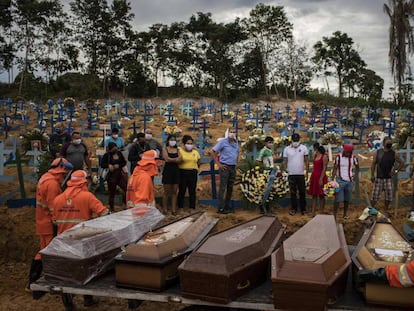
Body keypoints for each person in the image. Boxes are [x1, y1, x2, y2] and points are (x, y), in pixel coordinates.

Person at [52, 170, 109, 309]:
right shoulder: (87, 197)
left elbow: (54, 221)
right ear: (84, 182)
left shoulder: (58, 199)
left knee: (68, 273)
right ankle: (88, 299)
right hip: (83, 242)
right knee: (87, 271)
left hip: (64, 242)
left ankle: (68, 302)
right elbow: (105, 213)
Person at [27, 157, 73, 295]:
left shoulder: (45, 178)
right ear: (61, 171)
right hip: (48, 223)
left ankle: (34, 282)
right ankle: (34, 283)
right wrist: (59, 222)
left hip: (42, 221)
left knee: (44, 251)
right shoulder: (52, 184)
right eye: (64, 174)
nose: (63, 178)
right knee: (47, 253)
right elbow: (54, 207)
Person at [210, 127, 239, 214]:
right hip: (225, 167)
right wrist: (218, 164)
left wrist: (236, 163)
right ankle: (221, 207)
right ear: (228, 132)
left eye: (234, 132)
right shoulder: (223, 142)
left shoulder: (236, 143)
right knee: (223, 187)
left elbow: (237, 153)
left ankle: (227, 205)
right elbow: (212, 151)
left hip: (233, 167)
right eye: (231, 132)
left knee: (230, 187)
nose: (232, 134)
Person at [370, 137, 403, 210]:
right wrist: (372, 175)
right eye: (388, 143)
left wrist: (395, 171)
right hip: (379, 178)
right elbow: (373, 164)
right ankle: (371, 209)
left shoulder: (394, 153)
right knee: (375, 195)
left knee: (389, 196)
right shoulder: (378, 152)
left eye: (390, 143)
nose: (389, 144)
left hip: (388, 178)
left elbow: (401, 163)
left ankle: (386, 209)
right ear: (384, 143)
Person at [282, 133, 309, 216]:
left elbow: (306, 160)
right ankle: (294, 208)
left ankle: (303, 209)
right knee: (293, 192)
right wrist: (284, 171)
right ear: (291, 140)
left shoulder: (304, 148)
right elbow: (285, 161)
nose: (296, 142)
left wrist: (307, 171)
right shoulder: (286, 149)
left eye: (297, 140)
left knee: (302, 192)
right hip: (291, 173)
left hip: (300, 173)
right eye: (294, 141)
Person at [332, 144, 359, 219]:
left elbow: (357, 167)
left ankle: (345, 214)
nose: (348, 154)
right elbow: (335, 168)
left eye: (350, 152)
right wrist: (332, 179)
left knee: (347, 199)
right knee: (337, 198)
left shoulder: (354, 158)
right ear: (344, 151)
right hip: (339, 180)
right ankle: (334, 214)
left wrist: (355, 176)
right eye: (347, 152)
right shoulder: (338, 157)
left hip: (349, 181)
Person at [101, 142, 128, 212]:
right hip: (111, 176)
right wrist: (108, 165)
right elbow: (102, 164)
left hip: (119, 174)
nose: (115, 150)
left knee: (126, 188)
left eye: (116, 148)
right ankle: (111, 207)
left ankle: (124, 204)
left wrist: (118, 165)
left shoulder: (119, 154)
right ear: (110, 149)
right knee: (112, 192)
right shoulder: (107, 155)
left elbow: (124, 162)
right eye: (113, 149)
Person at [177, 135, 200, 211]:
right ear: (184, 144)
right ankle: (180, 207)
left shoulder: (195, 152)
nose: (189, 145)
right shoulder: (180, 151)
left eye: (191, 143)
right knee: (182, 190)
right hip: (182, 172)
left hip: (193, 172)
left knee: (192, 190)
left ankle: (192, 207)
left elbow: (199, 162)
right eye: (188, 143)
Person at [162, 135, 182, 215]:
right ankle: (165, 208)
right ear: (168, 141)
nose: (173, 141)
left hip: (176, 171)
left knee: (174, 191)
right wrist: (175, 160)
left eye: (174, 140)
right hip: (167, 171)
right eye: (171, 140)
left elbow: (180, 159)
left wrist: (172, 160)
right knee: (166, 191)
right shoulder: (165, 149)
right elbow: (166, 159)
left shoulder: (178, 149)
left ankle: (173, 209)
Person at [308, 143, 328, 217]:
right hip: (315, 176)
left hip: (320, 176)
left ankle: (321, 212)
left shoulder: (324, 156)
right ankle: (313, 212)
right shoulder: (315, 156)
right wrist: (311, 177)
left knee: (321, 195)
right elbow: (314, 167)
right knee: (314, 195)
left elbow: (324, 168)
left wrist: (321, 178)